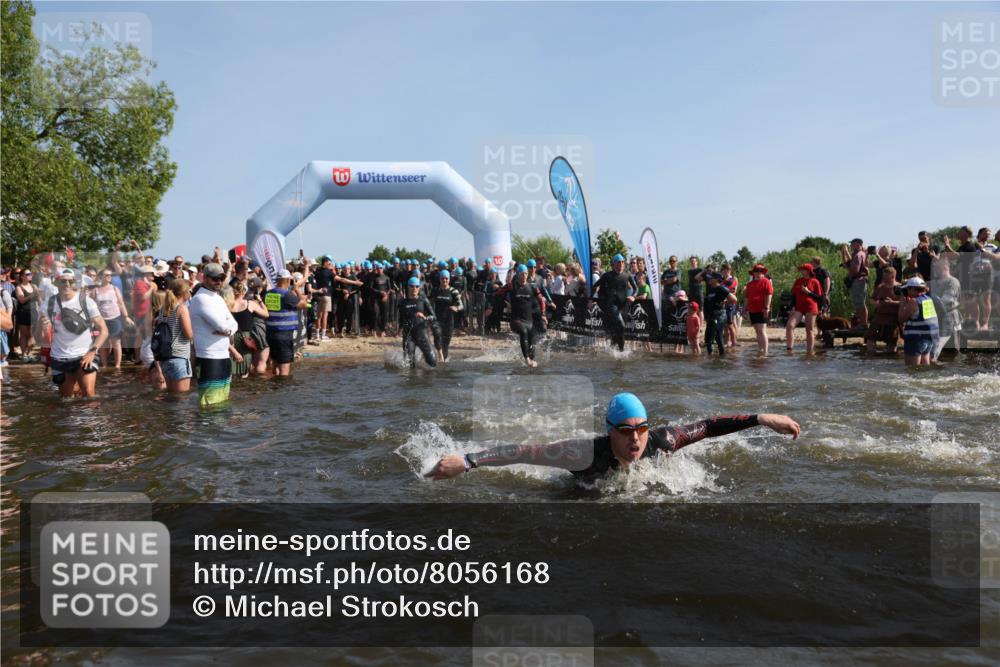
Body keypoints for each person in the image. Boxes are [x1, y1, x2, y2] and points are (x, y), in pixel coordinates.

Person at [425, 393, 800, 483]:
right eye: (626, 432)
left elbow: (710, 425)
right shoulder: (581, 454)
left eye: (640, 429)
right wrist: (469, 461)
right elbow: (524, 451)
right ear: (610, 432)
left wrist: (762, 418)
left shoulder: (663, 440)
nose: (636, 440)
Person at [38, 269, 109, 398]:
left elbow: (104, 330)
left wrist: (92, 351)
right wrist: (43, 327)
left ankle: (91, 419)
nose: (67, 284)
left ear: (75, 283)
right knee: (67, 399)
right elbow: (40, 335)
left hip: (84, 355)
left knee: (88, 394)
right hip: (59, 357)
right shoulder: (48, 304)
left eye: (70, 281)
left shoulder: (86, 302)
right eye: (63, 281)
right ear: (56, 283)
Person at [189, 263, 239, 406]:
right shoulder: (201, 299)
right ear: (204, 278)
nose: (219, 282)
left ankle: (220, 428)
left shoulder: (217, 298)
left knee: (223, 400)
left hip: (223, 354)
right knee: (209, 402)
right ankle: (205, 428)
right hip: (208, 356)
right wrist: (227, 329)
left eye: (221, 278)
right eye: (214, 278)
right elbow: (222, 325)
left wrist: (227, 330)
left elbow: (234, 324)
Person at [264, 268, 309, 376]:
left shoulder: (268, 293)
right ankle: (284, 390)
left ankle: (275, 387)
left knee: (275, 363)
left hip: (270, 333)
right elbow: (304, 304)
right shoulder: (287, 294)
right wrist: (297, 288)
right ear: (288, 280)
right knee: (284, 365)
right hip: (284, 334)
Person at [499, 264, 546, 367]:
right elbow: (498, 294)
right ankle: (527, 360)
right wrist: (505, 304)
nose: (524, 276)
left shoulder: (532, 287)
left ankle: (530, 363)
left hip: (529, 321)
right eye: (522, 274)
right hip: (516, 320)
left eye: (525, 273)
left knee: (533, 344)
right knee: (523, 332)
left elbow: (541, 300)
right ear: (518, 274)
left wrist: (543, 314)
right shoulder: (511, 286)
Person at [156, 279, 194, 393]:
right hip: (180, 358)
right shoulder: (181, 308)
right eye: (189, 291)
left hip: (166, 358)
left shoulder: (163, 309)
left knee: (171, 397)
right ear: (184, 293)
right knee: (181, 399)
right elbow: (188, 335)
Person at [592, 253, 635, 352]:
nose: (621, 264)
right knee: (621, 325)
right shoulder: (607, 275)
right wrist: (595, 297)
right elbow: (595, 285)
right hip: (612, 304)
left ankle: (619, 351)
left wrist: (633, 296)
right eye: (619, 262)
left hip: (623, 305)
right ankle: (618, 351)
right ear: (614, 264)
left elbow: (635, 288)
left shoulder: (627, 275)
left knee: (619, 330)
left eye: (623, 262)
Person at [93, 268, 133, 369]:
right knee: (103, 343)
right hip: (101, 320)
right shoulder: (95, 290)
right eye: (106, 275)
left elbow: (120, 303)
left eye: (110, 275)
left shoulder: (115, 288)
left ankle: (117, 365)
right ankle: (104, 364)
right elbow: (92, 305)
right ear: (100, 276)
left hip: (115, 318)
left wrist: (126, 316)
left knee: (116, 342)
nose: (109, 277)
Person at [898, 276, 938, 367]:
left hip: (916, 339)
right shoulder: (928, 300)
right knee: (925, 369)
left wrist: (902, 304)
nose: (906, 292)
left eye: (908, 289)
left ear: (912, 289)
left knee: (912, 370)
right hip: (928, 339)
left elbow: (901, 319)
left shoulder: (913, 302)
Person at [398, 276, 437, 368]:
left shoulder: (423, 300)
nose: (414, 288)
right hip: (409, 335)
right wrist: (399, 330)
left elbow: (434, 317)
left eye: (416, 286)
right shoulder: (402, 303)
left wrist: (425, 317)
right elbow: (401, 318)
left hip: (422, 333)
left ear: (419, 288)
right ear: (408, 287)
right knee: (409, 364)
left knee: (433, 362)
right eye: (412, 286)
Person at [786, 264, 822, 355]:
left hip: (811, 307)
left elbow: (819, 297)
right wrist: (792, 306)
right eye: (800, 269)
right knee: (790, 325)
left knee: (809, 329)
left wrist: (808, 292)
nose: (801, 271)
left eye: (803, 269)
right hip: (798, 307)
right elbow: (793, 295)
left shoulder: (815, 281)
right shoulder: (798, 281)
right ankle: (789, 349)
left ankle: (810, 351)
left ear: (809, 271)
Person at [930, 258, 962, 358]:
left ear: (945, 267)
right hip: (937, 318)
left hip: (950, 318)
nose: (935, 270)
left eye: (937, 268)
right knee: (938, 350)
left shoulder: (952, 282)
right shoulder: (934, 282)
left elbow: (947, 301)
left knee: (951, 351)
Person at [865, 266, 901, 354]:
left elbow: (904, 303)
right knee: (870, 338)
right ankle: (872, 356)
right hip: (879, 317)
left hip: (892, 318)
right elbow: (872, 299)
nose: (884, 278)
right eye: (883, 276)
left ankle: (889, 359)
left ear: (892, 276)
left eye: (886, 277)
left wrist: (892, 302)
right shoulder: (880, 287)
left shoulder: (899, 287)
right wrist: (875, 303)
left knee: (891, 344)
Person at [430, 270, 462, 363]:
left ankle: (442, 362)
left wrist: (456, 308)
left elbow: (461, 305)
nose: (444, 280)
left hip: (448, 321)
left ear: (449, 279)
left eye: (446, 278)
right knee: (437, 335)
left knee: (445, 345)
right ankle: (440, 357)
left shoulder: (453, 291)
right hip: (437, 319)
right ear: (440, 279)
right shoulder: (435, 290)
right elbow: (427, 302)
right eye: (442, 278)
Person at [702, 272, 735, 356]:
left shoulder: (721, 288)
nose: (710, 279)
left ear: (717, 279)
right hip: (711, 315)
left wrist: (725, 301)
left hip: (719, 315)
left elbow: (734, 299)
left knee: (717, 336)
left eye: (712, 278)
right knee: (709, 338)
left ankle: (722, 357)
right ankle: (711, 358)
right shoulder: (711, 288)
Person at [744, 264, 773, 356]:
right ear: (753, 273)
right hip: (752, 309)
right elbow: (747, 297)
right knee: (757, 330)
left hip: (762, 309)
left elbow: (769, 295)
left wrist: (766, 307)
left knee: (762, 330)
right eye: (756, 271)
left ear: (763, 272)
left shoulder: (766, 281)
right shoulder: (750, 284)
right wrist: (745, 309)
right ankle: (760, 349)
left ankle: (765, 351)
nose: (757, 273)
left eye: (760, 271)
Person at [841, 238, 869, 327]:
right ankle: (861, 322)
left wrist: (849, 275)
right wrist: (844, 252)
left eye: (852, 244)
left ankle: (863, 323)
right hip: (858, 280)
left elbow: (854, 270)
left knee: (860, 302)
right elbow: (847, 264)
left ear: (858, 244)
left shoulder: (859, 255)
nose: (851, 246)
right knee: (858, 302)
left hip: (859, 280)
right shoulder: (856, 254)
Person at [14, 269, 38, 361]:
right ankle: (24, 354)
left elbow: (39, 299)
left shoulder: (34, 286)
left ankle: (29, 353)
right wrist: (32, 295)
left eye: (31, 273)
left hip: (33, 312)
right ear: (22, 276)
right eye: (28, 274)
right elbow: (22, 300)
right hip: (23, 312)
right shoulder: (19, 287)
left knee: (32, 335)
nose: (30, 275)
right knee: (24, 334)